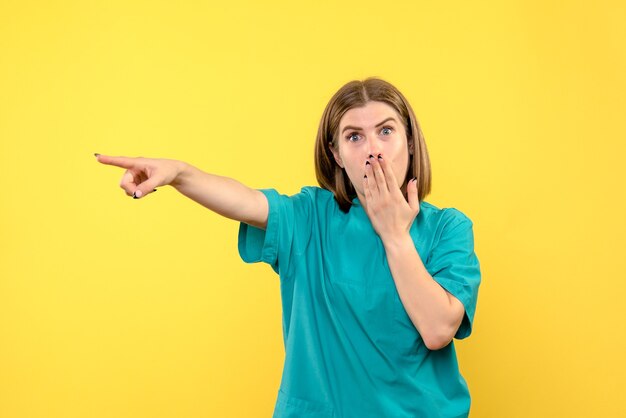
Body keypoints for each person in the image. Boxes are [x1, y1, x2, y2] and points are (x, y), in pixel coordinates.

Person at [96, 77, 481, 418]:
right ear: (336, 156)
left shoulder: (448, 228)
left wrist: (394, 234)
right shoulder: (310, 217)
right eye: (354, 137)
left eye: (386, 131)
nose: (373, 151)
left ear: (409, 143)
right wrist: (181, 174)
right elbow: (245, 201)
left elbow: (437, 329)